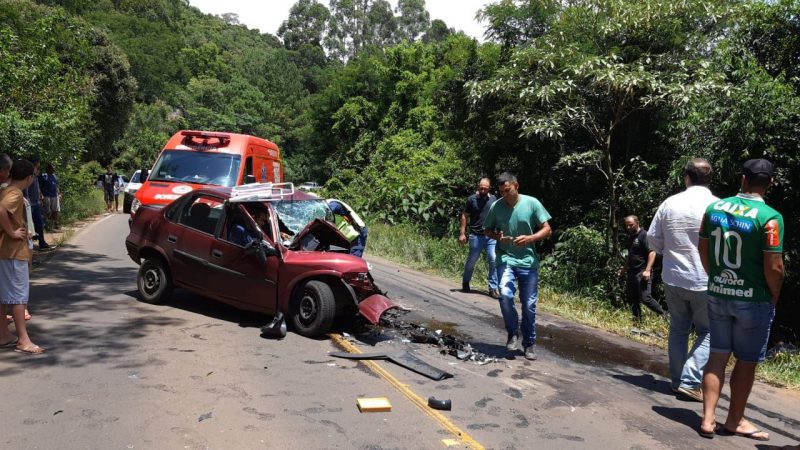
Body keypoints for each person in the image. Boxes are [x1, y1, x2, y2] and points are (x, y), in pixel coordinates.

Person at [698, 159, 783, 441]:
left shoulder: (714, 208)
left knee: (717, 356)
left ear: (743, 178)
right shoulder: (770, 218)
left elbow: (704, 249)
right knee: (746, 362)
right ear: (769, 183)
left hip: (719, 293)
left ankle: (708, 419)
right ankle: (734, 420)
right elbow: (774, 266)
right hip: (753, 299)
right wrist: (773, 294)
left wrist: (717, 278)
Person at [647, 158, 718, 402]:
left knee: (678, 328)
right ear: (710, 179)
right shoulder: (718, 206)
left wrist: (671, 251)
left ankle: (677, 381)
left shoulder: (670, 203)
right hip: (705, 279)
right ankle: (689, 381)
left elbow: (653, 240)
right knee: (710, 331)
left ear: (686, 177)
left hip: (673, 277)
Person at [483, 172, 552, 361]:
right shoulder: (496, 206)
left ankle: (529, 343)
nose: (505, 195)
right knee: (504, 295)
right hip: (505, 258)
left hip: (528, 262)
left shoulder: (532, 203)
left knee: (529, 305)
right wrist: (498, 237)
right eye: (501, 192)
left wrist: (531, 238)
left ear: (516, 186)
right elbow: (487, 230)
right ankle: (512, 332)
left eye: (508, 190)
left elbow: (547, 229)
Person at [0, 159, 44, 354]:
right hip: (13, 252)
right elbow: (1, 210)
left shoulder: (5, 190)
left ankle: (3, 335)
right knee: (19, 297)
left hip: (5, 252)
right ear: (28, 178)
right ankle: (23, 340)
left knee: (4, 296)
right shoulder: (15, 193)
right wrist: (12, 233)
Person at [621, 215, 666, 322]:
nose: (628, 228)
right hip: (632, 272)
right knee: (632, 298)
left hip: (642, 271)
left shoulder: (644, 235)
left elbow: (652, 252)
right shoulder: (631, 237)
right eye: (627, 226)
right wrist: (623, 270)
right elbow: (630, 256)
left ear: (637, 223)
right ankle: (637, 321)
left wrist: (648, 270)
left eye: (631, 225)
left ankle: (665, 315)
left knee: (645, 298)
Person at [459, 178, 499, 297]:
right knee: (472, 261)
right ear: (478, 187)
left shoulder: (494, 200)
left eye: (485, 188)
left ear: (489, 188)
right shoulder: (472, 199)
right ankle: (466, 282)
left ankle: (493, 288)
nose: (483, 190)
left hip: (491, 236)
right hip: (476, 235)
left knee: (494, 259)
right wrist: (462, 233)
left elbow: (498, 216)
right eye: (481, 187)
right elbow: (464, 216)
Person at [25, 157, 49, 250]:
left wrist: (40, 195)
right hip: (30, 205)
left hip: (36, 203)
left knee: (39, 224)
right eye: (37, 167)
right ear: (33, 166)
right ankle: (29, 249)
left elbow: (36, 188)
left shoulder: (35, 176)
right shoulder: (28, 175)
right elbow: (25, 188)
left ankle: (42, 243)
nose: (38, 169)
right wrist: (28, 200)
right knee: (29, 227)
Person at [39, 163, 60, 230]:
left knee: (55, 210)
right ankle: (48, 225)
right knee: (47, 211)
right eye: (52, 168)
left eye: (54, 168)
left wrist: (59, 193)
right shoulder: (43, 176)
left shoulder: (54, 176)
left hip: (54, 195)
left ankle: (55, 224)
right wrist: (41, 195)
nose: (53, 169)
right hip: (46, 195)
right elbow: (39, 186)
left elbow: (56, 185)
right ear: (48, 169)